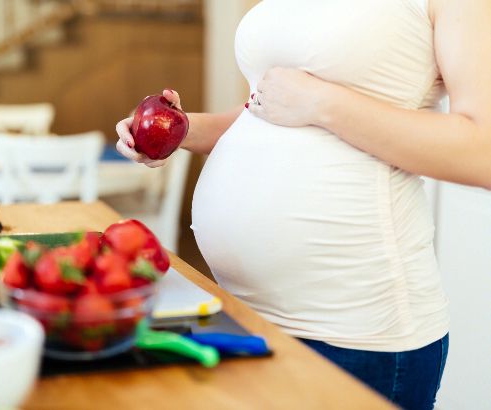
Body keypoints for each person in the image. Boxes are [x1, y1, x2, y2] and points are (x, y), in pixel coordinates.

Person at [116, 0, 491, 408]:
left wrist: (323, 103)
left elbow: (482, 152)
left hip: (353, 335)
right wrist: (182, 129)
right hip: (243, 312)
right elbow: (266, 109)